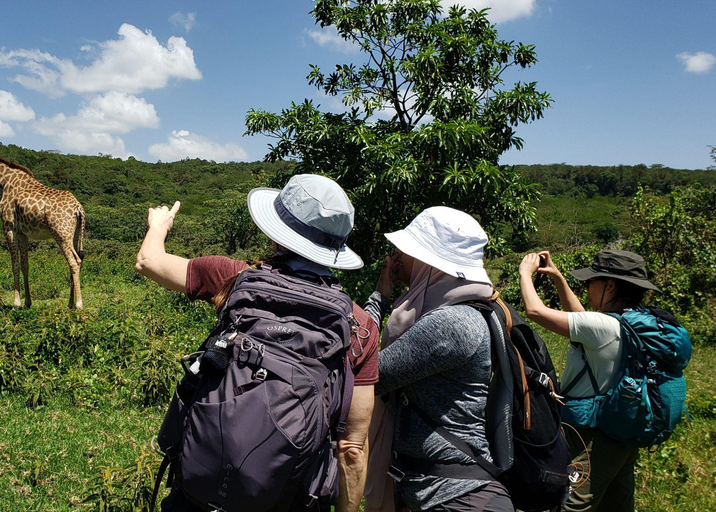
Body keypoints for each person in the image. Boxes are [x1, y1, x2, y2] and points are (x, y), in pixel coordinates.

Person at [135, 174, 379, 512]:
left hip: (199, 492)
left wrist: (159, 225)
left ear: (275, 232)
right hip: (288, 497)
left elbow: (149, 261)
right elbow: (352, 448)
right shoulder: (359, 325)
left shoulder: (233, 276)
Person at [363, 206, 514, 512]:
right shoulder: (462, 312)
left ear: (430, 262)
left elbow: (369, 375)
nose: (397, 256)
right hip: (445, 493)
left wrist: (377, 299)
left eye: (406, 250)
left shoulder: (449, 324)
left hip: (456, 497)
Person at [518, 249, 659, 512]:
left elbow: (535, 311)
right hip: (623, 433)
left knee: (570, 508)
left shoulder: (602, 327)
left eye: (591, 281)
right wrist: (559, 279)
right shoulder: (630, 323)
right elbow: (583, 319)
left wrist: (525, 273)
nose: (586, 287)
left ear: (610, 285)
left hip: (594, 438)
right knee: (616, 506)